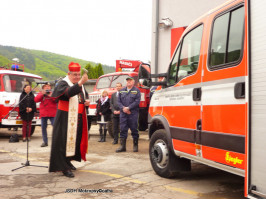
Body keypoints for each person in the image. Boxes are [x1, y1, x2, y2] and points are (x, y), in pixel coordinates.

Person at [49, 62, 90, 178]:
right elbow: (67, 93)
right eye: (75, 75)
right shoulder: (63, 83)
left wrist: (86, 102)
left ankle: (67, 161)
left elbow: (82, 98)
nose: (77, 77)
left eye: (78, 75)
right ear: (69, 74)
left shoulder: (79, 84)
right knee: (63, 143)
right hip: (64, 117)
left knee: (73, 141)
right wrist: (81, 82)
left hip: (77, 117)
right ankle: (63, 167)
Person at [116, 77, 141, 153]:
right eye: (127, 81)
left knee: (134, 129)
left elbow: (137, 101)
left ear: (133, 82)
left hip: (133, 114)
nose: (128, 82)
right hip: (123, 114)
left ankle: (135, 146)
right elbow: (118, 101)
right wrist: (123, 108)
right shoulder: (121, 91)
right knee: (123, 129)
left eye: (130, 81)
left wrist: (129, 108)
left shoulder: (137, 91)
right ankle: (122, 147)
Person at [34, 83, 57, 147]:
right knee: (43, 128)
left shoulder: (53, 92)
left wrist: (50, 95)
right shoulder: (41, 93)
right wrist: (42, 94)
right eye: (45, 86)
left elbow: (56, 100)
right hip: (44, 113)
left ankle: (56, 142)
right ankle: (45, 142)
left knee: (55, 127)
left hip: (53, 113)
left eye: (48, 86)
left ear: (50, 87)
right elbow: (36, 100)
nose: (47, 87)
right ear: (43, 88)